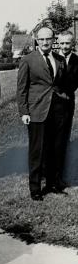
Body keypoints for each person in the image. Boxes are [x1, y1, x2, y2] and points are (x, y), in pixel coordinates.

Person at [17, 26, 68, 200]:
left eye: (48, 39)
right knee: (37, 151)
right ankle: (35, 189)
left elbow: (61, 84)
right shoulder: (28, 60)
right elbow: (21, 88)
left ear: (53, 40)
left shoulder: (60, 59)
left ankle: (52, 184)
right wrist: (24, 111)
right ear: (36, 40)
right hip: (37, 111)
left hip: (58, 111)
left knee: (54, 149)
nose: (45, 42)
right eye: (42, 39)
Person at [57, 30, 78, 186]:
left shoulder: (77, 61)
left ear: (73, 43)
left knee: (64, 138)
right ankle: (46, 172)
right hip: (50, 105)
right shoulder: (52, 58)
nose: (64, 46)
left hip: (67, 104)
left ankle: (60, 175)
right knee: (50, 138)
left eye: (67, 43)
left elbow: (75, 83)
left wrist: (65, 92)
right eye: (62, 43)